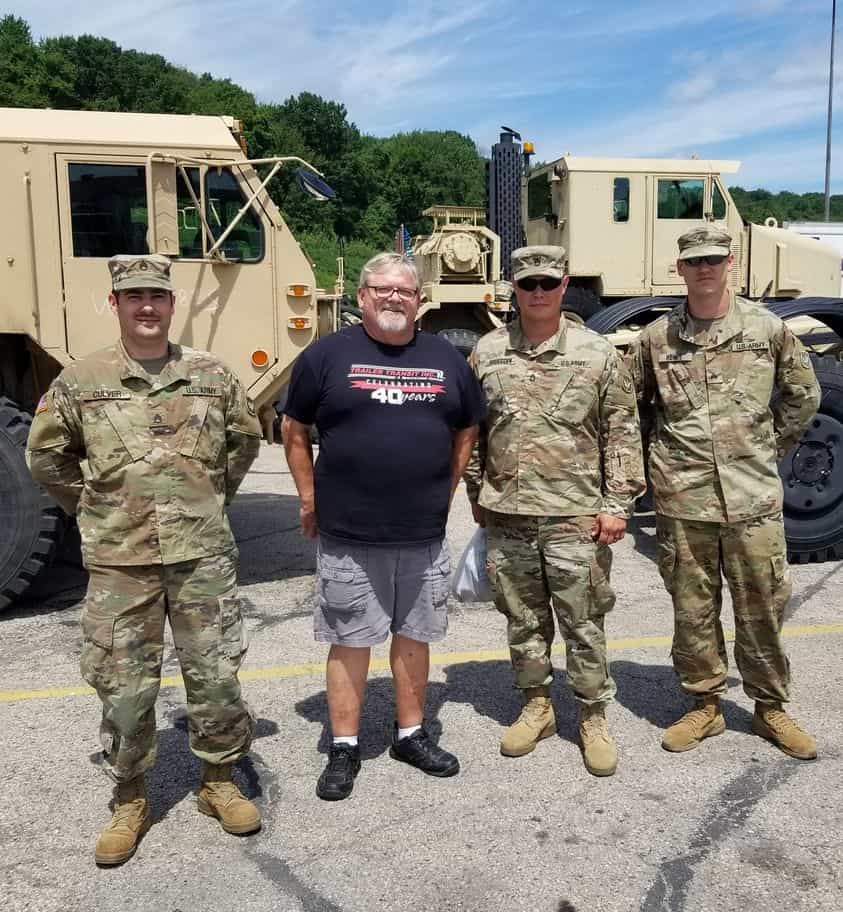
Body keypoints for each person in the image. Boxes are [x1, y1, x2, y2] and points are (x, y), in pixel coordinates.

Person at [26, 254, 263, 865]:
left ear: (172, 302)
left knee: (214, 677)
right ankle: (130, 797)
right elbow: (46, 457)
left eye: (157, 295)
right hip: (119, 564)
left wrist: (207, 499)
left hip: (201, 556)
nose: (147, 307)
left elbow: (242, 442)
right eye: (134, 297)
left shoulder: (211, 374)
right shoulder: (82, 380)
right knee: (124, 687)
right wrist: (94, 510)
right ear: (116, 305)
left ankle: (218, 782)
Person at [283, 252, 485, 801]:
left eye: (405, 290)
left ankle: (410, 734)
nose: (394, 298)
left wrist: (443, 488)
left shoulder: (447, 359)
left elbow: (467, 428)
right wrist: (308, 496)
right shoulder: (326, 355)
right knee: (350, 639)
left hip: (421, 532)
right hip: (349, 533)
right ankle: (344, 746)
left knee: (415, 636)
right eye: (382, 289)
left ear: (421, 300)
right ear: (363, 296)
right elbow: (294, 428)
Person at [629, 225, 820, 759]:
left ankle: (769, 708)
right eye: (694, 261)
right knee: (692, 609)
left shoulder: (767, 328)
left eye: (714, 258)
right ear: (680, 269)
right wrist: (654, 468)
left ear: (729, 261)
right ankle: (705, 705)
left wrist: (763, 447)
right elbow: (633, 412)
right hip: (683, 501)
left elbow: (804, 396)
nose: (705, 268)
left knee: (762, 605)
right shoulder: (656, 339)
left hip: (753, 500)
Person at [464, 246, 645, 777]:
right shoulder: (489, 351)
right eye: (528, 284)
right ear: (513, 289)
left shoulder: (597, 353)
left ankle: (591, 716)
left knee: (583, 621)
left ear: (564, 285)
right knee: (522, 620)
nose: (537, 292)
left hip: (577, 516)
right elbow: (470, 431)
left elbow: (622, 429)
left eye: (547, 282)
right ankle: (537, 706)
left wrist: (618, 505)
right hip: (509, 515)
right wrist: (477, 493)